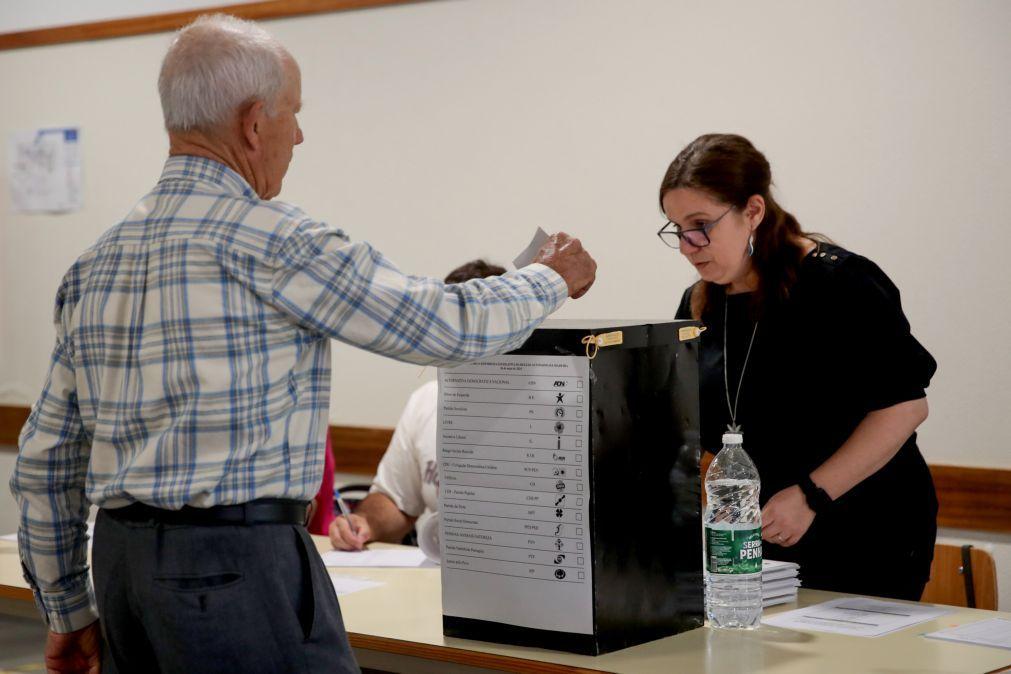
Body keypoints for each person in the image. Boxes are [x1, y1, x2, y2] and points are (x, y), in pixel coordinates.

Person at [10, 15, 596, 674]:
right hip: (236, 568)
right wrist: (548, 278)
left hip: (119, 568)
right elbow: (444, 325)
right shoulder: (275, 241)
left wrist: (66, 609)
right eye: (293, 113)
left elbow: (45, 463)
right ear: (254, 123)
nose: (300, 133)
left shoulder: (95, 265)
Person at [660, 133, 937, 600]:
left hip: (864, 529)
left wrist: (810, 495)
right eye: (677, 230)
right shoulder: (699, 303)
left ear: (753, 211)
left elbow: (904, 408)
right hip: (758, 537)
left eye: (701, 224)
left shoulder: (840, 282)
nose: (689, 246)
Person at [328, 259, 506, 551]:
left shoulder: (544, 407)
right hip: (445, 568)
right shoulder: (427, 399)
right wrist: (365, 523)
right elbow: (396, 501)